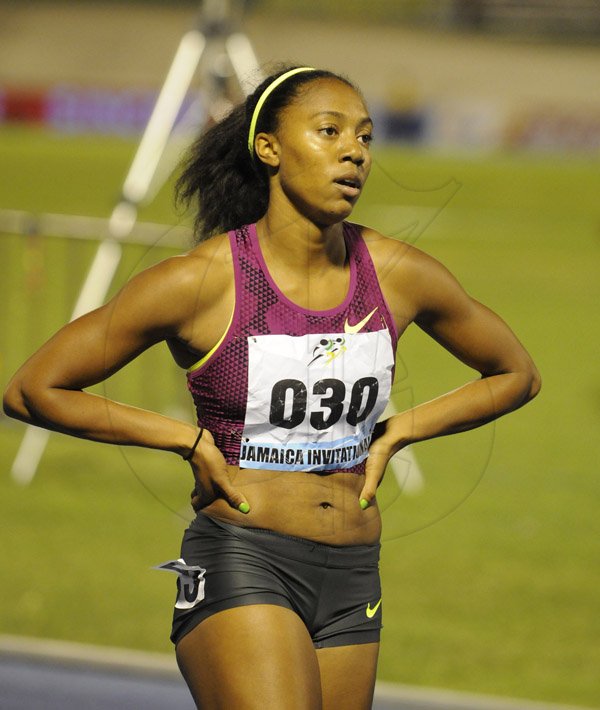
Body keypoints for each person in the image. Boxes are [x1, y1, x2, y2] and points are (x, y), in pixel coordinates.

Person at [3, 65, 541, 709]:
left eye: (365, 138)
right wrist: (188, 440)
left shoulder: (399, 273)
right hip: (244, 559)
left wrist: (400, 430)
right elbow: (34, 387)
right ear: (269, 148)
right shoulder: (202, 282)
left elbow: (517, 373)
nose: (354, 152)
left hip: (352, 576)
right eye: (329, 131)